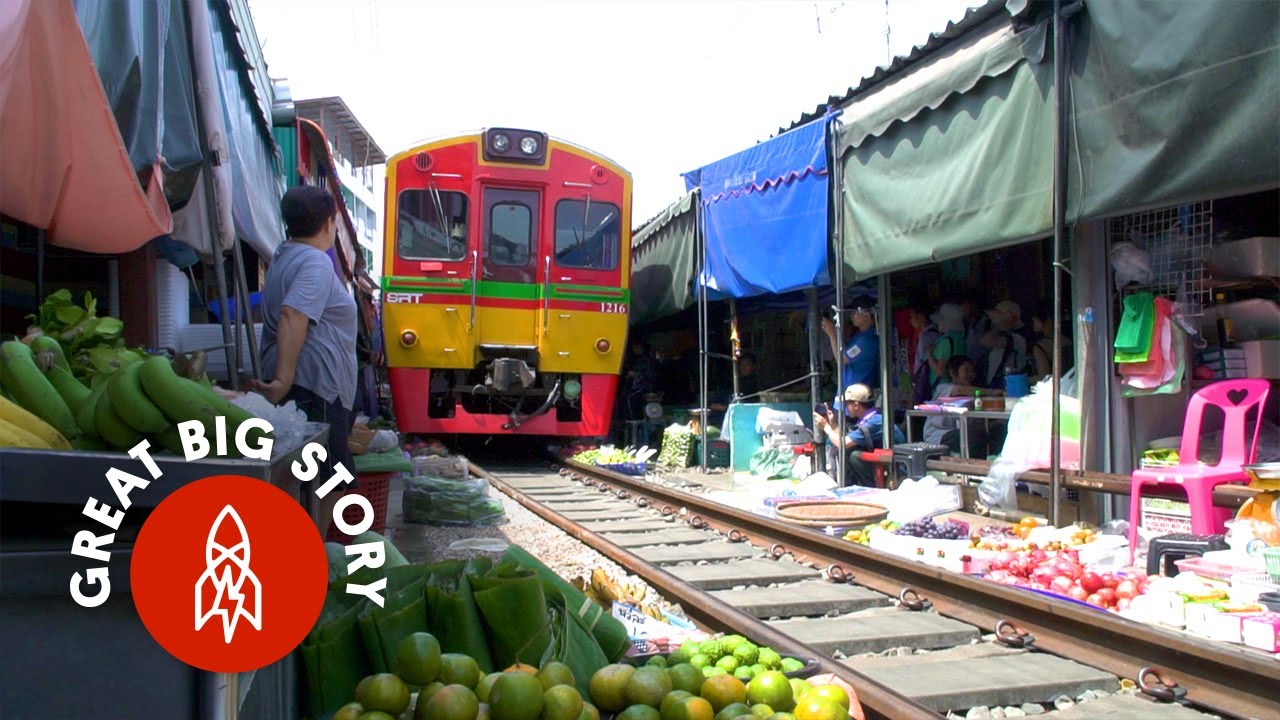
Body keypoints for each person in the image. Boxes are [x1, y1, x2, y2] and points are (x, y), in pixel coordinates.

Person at [255, 186, 358, 537]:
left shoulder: (285, 255)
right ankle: (308, 560)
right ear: (330, 223)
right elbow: (293, 313)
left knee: (307, 481)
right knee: (331, 480)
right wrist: (283, 379)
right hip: (315, 388)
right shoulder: (315, 261)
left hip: (310, 388)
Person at [814, 384, 904, 487]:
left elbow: (843, 444)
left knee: (854, 455)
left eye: (847, 404)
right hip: (884, 462)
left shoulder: (875, 421)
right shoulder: (869, 419)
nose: (845, 408)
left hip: (895, 469)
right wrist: (832, 423)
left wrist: (826, 427)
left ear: (856, 405)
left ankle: (868, 487)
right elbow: (845, 439)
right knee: (850, 451)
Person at [923, 355, 1004, 455]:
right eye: (966, 370)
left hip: (961, 432)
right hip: (939, 434)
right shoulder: (944, 388)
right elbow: (959, 390)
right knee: (973, 437)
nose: (971, 374)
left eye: (972, 371)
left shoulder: (972, 397)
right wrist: (992, 392)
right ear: (953, 373)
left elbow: (975, 424)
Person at [821, 295, 879, 400]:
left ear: (866, 314)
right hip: (848, 395)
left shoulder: (867, 340)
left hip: (855, 399)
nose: (851, 316)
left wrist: (832, 333)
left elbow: (841, 359)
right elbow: (844, 351)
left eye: (855, 312)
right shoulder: (859, 335)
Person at [1030, 305, 1073, 380]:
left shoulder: (1041, 346)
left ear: (1048, 320)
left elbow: (1044, 377)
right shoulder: (1069, 339)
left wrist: (1025, 379)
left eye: (1035, 320)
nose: (1033, 322)